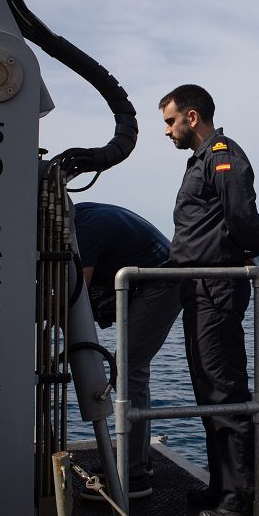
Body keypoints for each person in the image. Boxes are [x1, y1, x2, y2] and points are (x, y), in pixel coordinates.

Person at [159, 84, 259, 516]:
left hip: (217, 286)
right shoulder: (200, 160)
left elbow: (241, 215)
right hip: (196, 286)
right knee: (207, 391)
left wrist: (249, 251)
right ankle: (221, 485)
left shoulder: (223, 155)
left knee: (224, 390)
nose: (167, 131)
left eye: (170, 121)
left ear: (193, 117)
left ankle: (237, 499)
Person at [73, 202, 181, 499]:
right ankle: (137, 461)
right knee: (131, 369)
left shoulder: (85, 229)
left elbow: (78, 292)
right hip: (151, 280)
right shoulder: (83, 216)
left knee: (129, 368)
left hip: (162, 281)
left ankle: (133, 475)